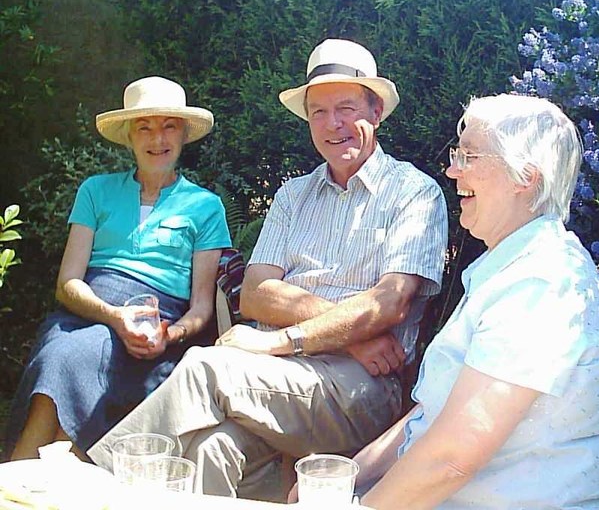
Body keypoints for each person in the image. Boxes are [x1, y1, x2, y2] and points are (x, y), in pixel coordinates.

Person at [87, 38, 449, 500]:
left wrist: (281, 339)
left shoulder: (415, 194)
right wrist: (350, 332)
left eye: (346, 108)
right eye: (318, 112)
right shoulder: (293, 196)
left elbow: (389, 303)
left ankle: (90, 486)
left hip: (363, 389)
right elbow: (256, 294)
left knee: (205, 368)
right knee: (213, 448)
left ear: (376, 112)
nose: (332, 124)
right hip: (281, 376)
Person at [348, 94, 599, 509]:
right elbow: (432, 416)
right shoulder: (514, 268)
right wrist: (349, 475)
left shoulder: (540, 285)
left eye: (470, 156)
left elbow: (451, 459)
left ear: (525, 176)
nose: (452, 170)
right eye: (457, 155)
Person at [5, 76, 232, 460]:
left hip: (154, 331)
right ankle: (29, 480)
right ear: (128, 136)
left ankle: (23, 478)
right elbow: (68, 282)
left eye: (169, 126)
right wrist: (113, 316)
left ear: (183, 135)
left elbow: (201, 307)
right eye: (144, 127)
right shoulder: (95, 190)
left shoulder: (205, 206)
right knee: (59, 355)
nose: (157, 138)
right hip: (87, 312)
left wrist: (170, 334)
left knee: (72, 358)